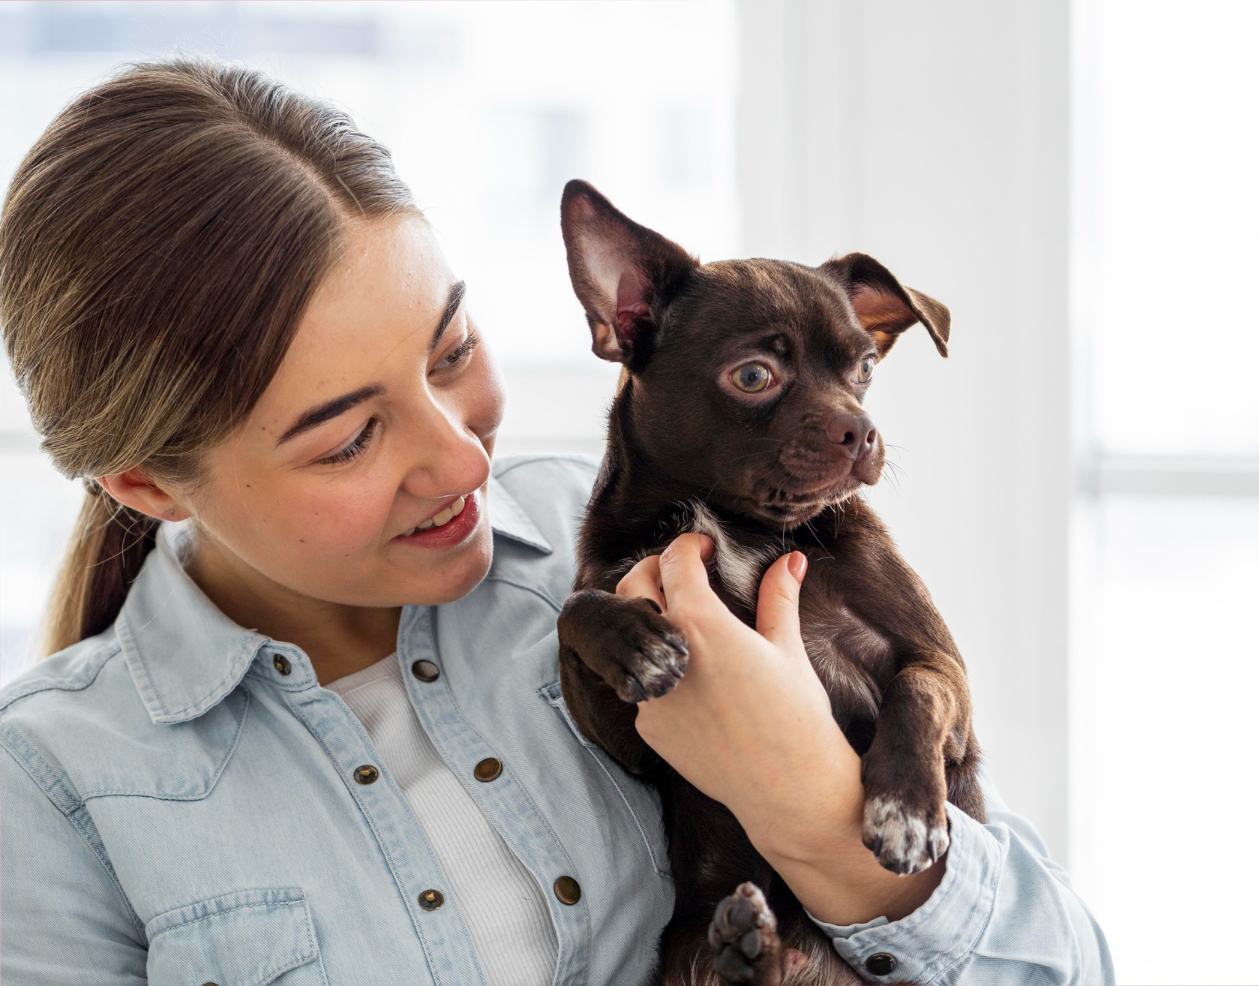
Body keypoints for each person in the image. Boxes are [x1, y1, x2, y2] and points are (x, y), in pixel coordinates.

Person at [0, 59, 1112, 986]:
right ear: (147, 482)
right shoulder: (52, 785)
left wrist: (822, 820)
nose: (462, 453)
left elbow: (1068, 963)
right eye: (348, 438)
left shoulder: (666, 548)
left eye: (450, 352)